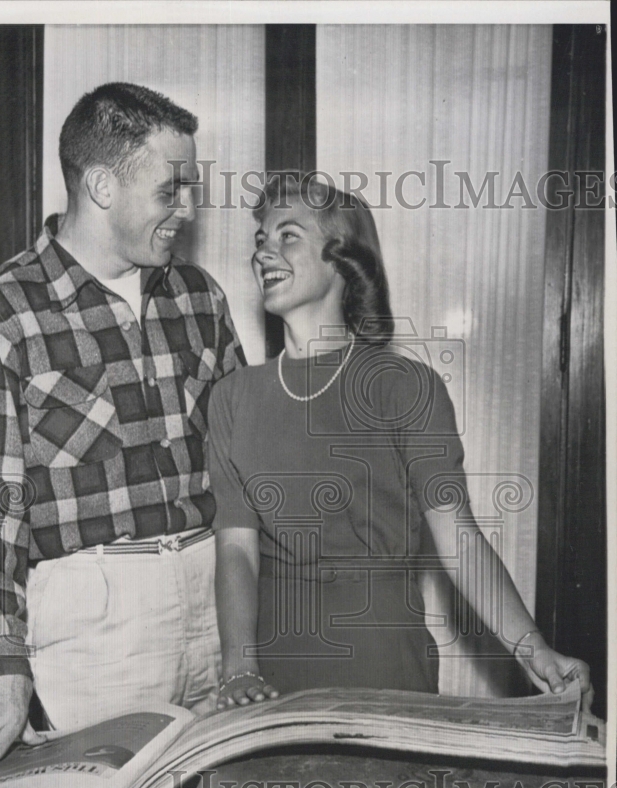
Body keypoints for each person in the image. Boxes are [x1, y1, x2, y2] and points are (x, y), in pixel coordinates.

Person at [0, 82, 245, 775]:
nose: (186, 210)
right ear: (102, 185)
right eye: (171, 190)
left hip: (214, 599)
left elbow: (241, 469)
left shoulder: (200, 298)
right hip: (97, 628)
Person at [208, 175, 592, 711]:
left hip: (383, 661)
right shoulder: (231, 398)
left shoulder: (404, 386)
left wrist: (535, 652)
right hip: (269, 676)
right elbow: (236, 551)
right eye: (260, 240)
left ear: (341, 258)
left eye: (287, 235)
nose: (264, 252)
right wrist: (238, 668)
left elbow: (457, 539)